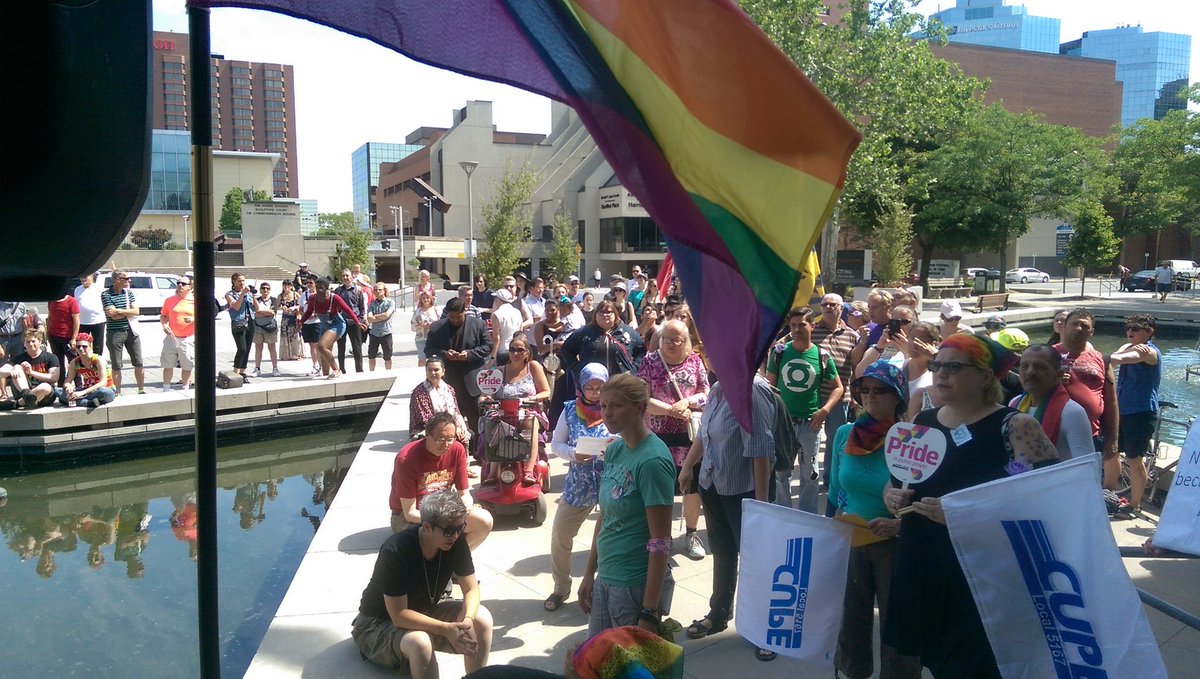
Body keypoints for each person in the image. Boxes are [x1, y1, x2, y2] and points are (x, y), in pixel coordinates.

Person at [884, 333, 1058, 678]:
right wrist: (889, 495)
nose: (940, 373)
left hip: (980, 573)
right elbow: (898, 481)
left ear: (985, 376)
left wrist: (967, 514)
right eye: (937, 365)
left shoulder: (1014, 426)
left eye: (954, 367)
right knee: (936, 660)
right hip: (923, 563)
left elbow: (1041, 494)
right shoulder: (923, 423)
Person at [827, 362, 922, 679]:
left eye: (880, 390)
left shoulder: (911, 440)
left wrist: (901, 526)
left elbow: (926, 501)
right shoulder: (844, 434)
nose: (870, 396)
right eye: (864, 389)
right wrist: (832, 529)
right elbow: (836, 490)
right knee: (850, 618)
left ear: (897, 397)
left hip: (895, 545)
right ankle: (852, 672)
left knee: (898, 625)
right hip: (852, 539)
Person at [677, 374, 774, 661]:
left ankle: (764, 628)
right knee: (722, 553)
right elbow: (704, 433)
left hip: (744, 492)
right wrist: (688, 466)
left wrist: (761, 504)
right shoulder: (719, 387)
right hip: (713, 485)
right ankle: (718, 614)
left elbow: (760, 449)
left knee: (755, 562)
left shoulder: (753, 390)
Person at [353, 488, 493, 678]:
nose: (455, 535)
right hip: (378, 623)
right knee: (421, 642)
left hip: (424, 610)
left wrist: (466, 621)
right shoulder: (396, 550)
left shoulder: (455, 540)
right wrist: (446, 629)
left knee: (482, 618)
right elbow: (398, 615)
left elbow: (471, 589)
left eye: (460, 528)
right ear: (426, 526)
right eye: (448, 531)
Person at [579, 373, 675, 638]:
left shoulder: (653, 461)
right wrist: (589, 573)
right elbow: (605, 517)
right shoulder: (615, 450)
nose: (607, 413)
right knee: (596, 657)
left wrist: (649, 610)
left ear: (639, 408)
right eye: (603, 405)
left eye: (616, 405)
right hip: (606, 576)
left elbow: (660, 542)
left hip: (633, 585)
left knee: (627, 660)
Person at [638, 319, 710, 560]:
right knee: (661, 490)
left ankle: (691, 534)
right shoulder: (649, 362)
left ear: (685, 341)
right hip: (659, 437)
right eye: (666, 339)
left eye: (676, 340)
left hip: (690, 437)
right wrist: (672, 411)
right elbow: (642, 399)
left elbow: (706, 392)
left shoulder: (695, 361)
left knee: (692, 489)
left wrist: (687, 402)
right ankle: (661, 537)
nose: (669, 344)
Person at [544, 363, 611, 612]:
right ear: (581, 387)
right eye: (589, 387)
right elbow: (556, 444)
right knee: (560, 535)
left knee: (608, 540)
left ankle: (602, 589)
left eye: (600, 387)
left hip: (611, 483)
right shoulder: (570, 410)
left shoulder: (614, 408)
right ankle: (561, 587)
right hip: (578, 484)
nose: (595, 392)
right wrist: (574, 454)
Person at [765, 307, 844, 513]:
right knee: (781, 473)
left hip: (810, 424)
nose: (797, 330)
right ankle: (784, 514)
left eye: (802, 325)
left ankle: (807, 516)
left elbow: (838, 387)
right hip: (783, 424)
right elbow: (769, 387)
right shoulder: (779, 353)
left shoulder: (822, 355)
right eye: (793, 325)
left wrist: (825, 410)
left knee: (810, 474)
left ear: (812, 326)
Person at [390, 412, 493, 549]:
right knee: (438, 535)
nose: (446, 445)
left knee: (484, 521)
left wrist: (464, 511)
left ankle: (457, 557)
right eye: (440, 439)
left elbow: (464, 494)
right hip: (412, 516)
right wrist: (445, 522)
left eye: (451, 439)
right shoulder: (406, 459)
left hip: (446, 511)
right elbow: (409, 513)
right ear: (426, 435)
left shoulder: (457, 449)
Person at [1053, 308, 1118, 484]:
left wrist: (1113, 438)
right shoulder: (1046, 355)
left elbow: (1111, 401)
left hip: (1091, 435)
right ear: (1064, 326)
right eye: (1074, 324)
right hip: (1053, 432)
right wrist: (1053, 382)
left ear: (1091, 332)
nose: (1078, 328)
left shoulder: (1102, 360)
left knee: (1087, 483)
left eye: (1084, 326)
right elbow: (1029, 390)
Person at [481, 335, 552, 486]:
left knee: (530, 423)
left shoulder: (533, 367)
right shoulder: (499, 371)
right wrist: (484, 399)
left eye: (520, 350)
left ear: (527, 352)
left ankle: (528, 470)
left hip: (528, 410)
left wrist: (531, 399)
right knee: (494, 422)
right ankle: (493, 473)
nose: (515, 353)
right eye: (512, 349)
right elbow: (485, 394)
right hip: (503, 411)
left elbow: (546, 392)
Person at [1110, 313, 1162, 513]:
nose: (1130, 331)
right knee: (1111, 452)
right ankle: (1108, 492)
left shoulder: (1150, 352)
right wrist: (1121, 351)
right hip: (1121, 411)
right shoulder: (1129, 346)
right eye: (1128, 328)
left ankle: (1135, 505)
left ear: (1149, 332)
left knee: (1135, 459)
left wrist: (1103, 358)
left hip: (1140, 413)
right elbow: (1119, 356)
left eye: (1136, 328)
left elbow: (1122, 359)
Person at [424, 298, 494, 442]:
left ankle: (479, 448)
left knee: (477, 422)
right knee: (451, 422)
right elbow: (428, 350)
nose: (455, 320)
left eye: (458, 317)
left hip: (473, 382)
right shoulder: (437, 327)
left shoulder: (478, 324)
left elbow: (488, 346)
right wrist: (444, 354)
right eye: (452, 317)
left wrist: (469, 354)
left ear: (465, 311)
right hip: (449, 382)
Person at [1010, 344, 1094, 462]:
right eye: (1024, 366)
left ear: (1059, 374)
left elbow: (1086, 464)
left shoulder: (1072, 412)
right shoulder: (1014, 404)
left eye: (1039, 367)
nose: (1030, 372)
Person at [812, 293, 860, 488]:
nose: (828, 307)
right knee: (809, 439)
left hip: (840, 396)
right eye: (825, 304)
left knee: (835, 440)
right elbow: (783, 344)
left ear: (841, 308)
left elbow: (856, 367)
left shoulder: (852, 335)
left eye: (833, 304)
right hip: (813, 396)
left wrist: (856, 395)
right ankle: (810, 478)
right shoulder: (811, 330)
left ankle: (830, 480)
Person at [297, 277, 363, 379]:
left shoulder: (334, 298)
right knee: (324, 355)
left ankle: (337, 370)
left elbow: (347, 310)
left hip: (337, 324)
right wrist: (301, 322)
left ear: (327, 288)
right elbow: (309, 311)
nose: (319, 290)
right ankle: (326, 376)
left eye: (321, 288)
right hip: (324, 325)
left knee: (321, 346)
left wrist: (357, 322)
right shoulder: (312, 298)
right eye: (317, 287)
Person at [408, 358, 471, 448]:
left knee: (467, 436)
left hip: (449, 425)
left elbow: (456, 411)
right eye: (430, 370)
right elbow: (426, 419)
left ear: (443, 371)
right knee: (449, 439)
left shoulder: (449, 389)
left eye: (436, 370)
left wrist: (460, 427)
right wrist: (452, 429)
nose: (433, 373)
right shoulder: (419, 391)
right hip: (427, 428)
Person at [102, 270, 145, 394]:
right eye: (126, 278)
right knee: (116, 364)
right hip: (115, 332)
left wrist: (119, 311)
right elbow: (111, 315)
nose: (129, 281)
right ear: (117, 280)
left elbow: (136, 311)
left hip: (132, 331)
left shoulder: (129, 293)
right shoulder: (106, 294)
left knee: (138, 362)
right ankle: (118, 392)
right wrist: (127, 311)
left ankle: (141, 390)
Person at [56, 333, 116, 408]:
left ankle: (75, 401)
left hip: (105, 389)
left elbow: (103, 382)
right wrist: (68, 387)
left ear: (90, 346)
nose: (81, 349)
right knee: (58, 391)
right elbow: (67, 381)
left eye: (84, 346)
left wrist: (81, 393)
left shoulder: (98, 360)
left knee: (103, 392)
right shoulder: (74, 363)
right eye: (78, 346)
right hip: (87, 390)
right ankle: (88, 403)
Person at [7, 327, 60, 409]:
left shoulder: (51, 357)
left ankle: (17, 404)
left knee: (44, 386)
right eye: (28, 342)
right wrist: (11, 371)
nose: (31, 344)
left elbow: (54, 378)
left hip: (44, 395)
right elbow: (3, 370)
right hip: (22, 393)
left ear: (40, 342)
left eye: (33, 341)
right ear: (24, 343)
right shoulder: (18, 358)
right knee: (16, 367)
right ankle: (27, 395)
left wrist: (31, 372)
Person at [160, 275, 195, 390]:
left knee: (187, 366)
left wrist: (193, 319)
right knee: (167, 365)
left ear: (190, 287)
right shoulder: (170, 300)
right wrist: (164, 325)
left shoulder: (195, 301)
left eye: (183, 284)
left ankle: (185, 388)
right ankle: (166, 389)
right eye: (178, 283)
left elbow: (205, 317)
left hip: (187, 338)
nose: (180, 285)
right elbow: (163, 315)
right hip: (171, 337)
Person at [904, 321, 942, 421]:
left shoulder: (937, 373)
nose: (914, 344)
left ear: (933, 344)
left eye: (921, 340)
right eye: (912, 338)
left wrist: (935, 356)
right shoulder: (899, 368)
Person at [335, 269, 369, 373]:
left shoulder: (358, 290)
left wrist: (361, 319)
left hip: (355, 322)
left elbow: (362, 307)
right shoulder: (338, 291)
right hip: (341, 322)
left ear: (351, 277)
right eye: (343, 276)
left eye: (347, 275)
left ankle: (359, 369)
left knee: (357, 348)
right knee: (341, 347)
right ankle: (341, 369)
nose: (345, 278)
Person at [46, 289, 80, 388]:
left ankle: (78, 385)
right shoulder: (51, 300)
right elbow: (49, 317)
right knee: (58, 363)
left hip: (68, 338)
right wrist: (47, 333)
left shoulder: (72, 301)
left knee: (74, 362)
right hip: (53, 336)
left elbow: (76, 320)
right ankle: (61, 386)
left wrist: (74, 338)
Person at [224, 272, 255, 378]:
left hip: (250, 321)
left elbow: (256, 308)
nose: (242, 283)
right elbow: (236, 306)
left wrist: (254, 296)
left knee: (248, 348)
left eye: (243, 281)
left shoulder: (248, 293)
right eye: (239, 281)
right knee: (242, 348)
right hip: (238, 322)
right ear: (233, 281)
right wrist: (242, 294)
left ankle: (242, 372)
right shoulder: (229, 294)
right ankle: (236, 371)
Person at [250, 280, 280, 378]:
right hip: (258, 327)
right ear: (260, 290)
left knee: (272, 348)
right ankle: (257, 368)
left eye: (267, 288)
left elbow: (272, 312)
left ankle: (275, 368)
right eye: (263, 288)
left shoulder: (274, 300)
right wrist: (264, 312)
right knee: (258, 348)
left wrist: (260, 311)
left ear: (270, 290)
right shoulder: (256, 300)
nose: (265, 290)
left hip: (270, 327)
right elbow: (254, 313)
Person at [74, 274, 108, 358]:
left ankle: (96, 362)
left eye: (86, 277)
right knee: (82, 344)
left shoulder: (99, 289)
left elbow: (105, 303)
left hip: (98, 321)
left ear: (92, 277)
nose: (83, 279)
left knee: (97, 346)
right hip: (82, 322)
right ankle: (82, 362)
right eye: (82, 277)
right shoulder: (77, 289)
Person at [489, 288, 522, 360]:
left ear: (499, 299)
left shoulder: (496, 314)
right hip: (515, 349)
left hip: (502, 350)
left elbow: (496, 339)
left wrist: (492, 357)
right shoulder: (517, 312)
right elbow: (520, 332)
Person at [299, 277, 323, 375]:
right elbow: (300, 308)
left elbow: (322, 309)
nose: (309, 284)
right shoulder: (304, 295)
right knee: (311, 345)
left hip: (316, 322)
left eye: (311, 282)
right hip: (306, 323)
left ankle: (321, 366)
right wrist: (304, 316)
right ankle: (315, 365)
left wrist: (314, 315)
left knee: (317, 345)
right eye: (307, 282)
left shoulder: (319, 294)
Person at [410, 291, 439, 368]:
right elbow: (412, 326)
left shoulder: (435, 310)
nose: (426, 300)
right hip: (421, 338)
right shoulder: (418, 311)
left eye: (427, 298)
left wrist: (433, 325)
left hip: (434, 338)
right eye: (424, 298)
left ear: (431, 299)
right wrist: (420, 325)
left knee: (433, 359)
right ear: (421, 300)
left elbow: (441, 323)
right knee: (422, 359)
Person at [278, 279, 304, 361]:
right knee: (285, 335)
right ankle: (286, 354)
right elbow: (277, 306)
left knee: (296, 336)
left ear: (291, 286)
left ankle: (297, 354)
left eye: (288, 285)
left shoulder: (295, 294)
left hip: (294, 317)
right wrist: (282, 307)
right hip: (285, 318)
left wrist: (294, 308)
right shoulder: (280, 296)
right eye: (285, 285)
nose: (286, 287)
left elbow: (301, 305)